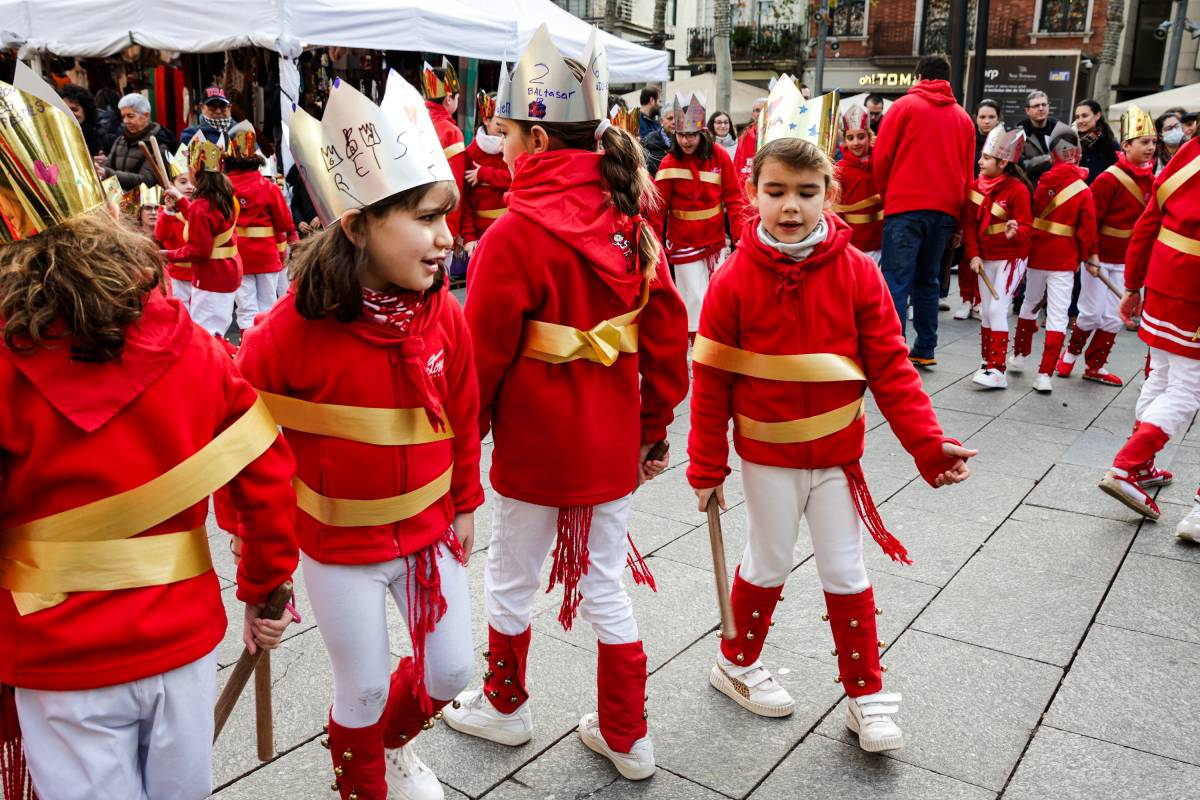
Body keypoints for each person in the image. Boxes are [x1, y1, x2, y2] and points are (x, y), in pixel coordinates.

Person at [0, 71, 297, 800]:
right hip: (179, 637)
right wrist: (265, 586)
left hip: (55, 651)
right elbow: (264, 468)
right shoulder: (193, 347)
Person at [445, 25, 689, 781]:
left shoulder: (513, 234)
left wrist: (461, 462)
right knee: (607, 582)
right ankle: (628, 734)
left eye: (508, 133)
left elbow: (477, 364)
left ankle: (506, 707)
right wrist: (654, 429)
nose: (501, 147)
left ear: (539, 138)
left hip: (536, 445)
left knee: (512, 576)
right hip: (611, 438)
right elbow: (668, 334)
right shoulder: (632, 219)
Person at [686, 116, 975, 753]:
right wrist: (706, 469)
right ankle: (735, 662)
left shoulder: (857, 273)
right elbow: (711, 387)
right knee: (767, 561)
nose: (791, 205)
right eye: (777, 189)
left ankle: (865, 693)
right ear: (752, 192)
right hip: (767, 457)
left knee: (847, 571)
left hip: (840, 457)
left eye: (808, 190)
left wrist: (929, 446)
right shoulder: (731, 280)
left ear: (829, 193)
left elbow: (893, 368)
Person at [233, 72, 481, 800]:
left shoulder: (445, 315)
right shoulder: (284, 336)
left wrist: (466, 497)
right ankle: (364, 779)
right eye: (425, 219)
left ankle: (392, 745)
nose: (446, 240)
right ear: (358, 225)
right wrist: (261, 571)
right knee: (363, 687)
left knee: (453, 672)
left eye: (448, 217)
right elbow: (243, 452)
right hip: (339, 546)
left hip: (431, 533)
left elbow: (463, 413)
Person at [1098, 133, 1200, 540]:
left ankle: (1140, 466)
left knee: (1160, 376)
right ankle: (1127, 464)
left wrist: (1133, 284)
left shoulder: (1192, 150)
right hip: (1194, 293)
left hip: (1162, 279)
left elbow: (1150, 219)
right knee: (1187, 390)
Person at [873, 55, 976, 368]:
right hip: (944, 210)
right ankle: (926, 347)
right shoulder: (964, 119)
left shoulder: (903, 108)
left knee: (896, 278)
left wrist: (887, 196)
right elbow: (968, 176)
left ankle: (892, 349)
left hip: (904, 206)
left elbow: (882, 158)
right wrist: (960, 220)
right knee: (928, 280)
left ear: (918, 76)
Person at [1058, 106, 1156, 388]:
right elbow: (1090, 221)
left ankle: (1095, 366)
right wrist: (1091, 254)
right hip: (1098, 257)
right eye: (1144, 142)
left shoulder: (1152, 181)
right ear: (1126, 145)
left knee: (1114, 316)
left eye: (1153, 142)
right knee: (1090, 312)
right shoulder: (1108, 179)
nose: (1150, 147)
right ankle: (1071, 353)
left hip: (1127, 259)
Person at [650, 92, 748, 340]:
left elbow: (735, 199)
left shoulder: (720, 156)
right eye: (681, 135)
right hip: (683, 243)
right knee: (695, 299)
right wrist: (653, 248)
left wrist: (741, 240)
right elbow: (657, 211)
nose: (685, 140)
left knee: (715, 296)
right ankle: (700, 345)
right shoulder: (669, 163)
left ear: (702, 132)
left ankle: (714, 340)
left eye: (691, 134)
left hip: (715, 242)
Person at [1011, 131, 1098, 393]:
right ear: (1078, 155)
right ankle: (1044, 375)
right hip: (1063, 258)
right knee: (1058, 316)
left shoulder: (1041, 182)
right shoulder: (1083, 190)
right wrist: (1089, 256)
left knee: (1029, 304)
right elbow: (1087, 229)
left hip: (1037, 254)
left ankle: (1019, 355)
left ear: (1052, 156)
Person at [961, 125, 1033, 389]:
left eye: (986, 158)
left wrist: (1016, 232)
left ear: (1003, 162)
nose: (980, 162)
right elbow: (968, 225)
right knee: (987, 313)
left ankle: (998, 370)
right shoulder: (973, 187)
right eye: (981, 156)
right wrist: (973, 255)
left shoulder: (1018, 190)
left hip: (1011, 258)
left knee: (996, 308)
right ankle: (987, 362)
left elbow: (1027, 228)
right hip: (985, 258)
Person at [162, 134, 242, 339]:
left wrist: (166, 254)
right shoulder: (224, 196)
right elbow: (205, 226)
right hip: (228, 270)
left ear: (195, 171)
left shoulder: (202, 205)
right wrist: (181, 201)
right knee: (217, 329)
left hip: (211, 276)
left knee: (206, 334)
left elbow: (199, 250)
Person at [224, 121, 295, 333]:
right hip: (266, 254)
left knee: (246, 308)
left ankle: (247, 349)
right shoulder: (269, 188)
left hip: (236, 254)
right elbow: (283, 222)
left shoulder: (222, 188)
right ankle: (266, 347)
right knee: (268, 305)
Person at [422, 59, 467, 248]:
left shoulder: (413, 121)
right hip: (441, 224)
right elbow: (454, 188)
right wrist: (452, 231)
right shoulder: (451, 133)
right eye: (457, 97)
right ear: (449, 97)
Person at [462, 91, 511, 259]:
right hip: (482, 237)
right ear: (486, 120)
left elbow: (519, 179)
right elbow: (465, 200)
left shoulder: (514, 148)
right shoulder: (470, 153)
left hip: (511, 232)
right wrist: (468, 237)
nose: (505, 126)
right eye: (499, 122)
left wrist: (485, 174)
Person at [832, 105, 883, 264]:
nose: (856, 143)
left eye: (861, 137)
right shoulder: (839, 169)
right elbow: (835, 209)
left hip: (881, 239)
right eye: (850, 137)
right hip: (852, 241)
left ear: (869, 136)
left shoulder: (882, 161)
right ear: (845, 140)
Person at [96, 93, 176, 191]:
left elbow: (147, 180)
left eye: (130, 116)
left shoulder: (158, 144)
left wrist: (108, 173)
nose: (125, 121)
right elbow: (106, 166)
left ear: (146, 116)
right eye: (123, 117)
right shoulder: (121, 140)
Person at [156, 143, 196, 306]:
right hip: (178, 273)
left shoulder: (202, 207)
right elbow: (161, 236)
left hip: (200, 273)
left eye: (192, 181)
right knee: (182, 310)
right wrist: (169, 213)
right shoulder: (167, 211)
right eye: (183, 182)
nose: (189, 186)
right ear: (173, 185)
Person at [1019, 90, 1060, 186]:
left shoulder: (1060, 130)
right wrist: (1046, 158)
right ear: (1027, 110)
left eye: (1044, 104)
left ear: (1048, 107)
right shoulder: (1019, 134)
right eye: (1036, 106)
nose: (1041, 108)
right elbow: (1019, 167)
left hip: (1058, 188)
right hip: (1032, 189)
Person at [1074, 99, 1119, 183]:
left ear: (1097, 115)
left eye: (1084, 116)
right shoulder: (1072, 143)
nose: (1080, 121)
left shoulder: (1110, 145)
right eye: (1077, 117)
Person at [59, 83, 104, 156]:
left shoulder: (101, 137)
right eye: (64, 109)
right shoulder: (54, 135)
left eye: (74, 109)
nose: (69, 114)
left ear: (86, 111)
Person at [639, 105, 674, 176]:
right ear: (661, 121)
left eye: (677, 119)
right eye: (670, 118)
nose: (674, 122)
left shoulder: (684, 144)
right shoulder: (649, 141)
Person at [973, 99, 1001, 172]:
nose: (987, 121)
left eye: (991, 117)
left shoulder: (1006, 142)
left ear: (998, 119)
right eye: (982, 117)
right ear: (976, 119)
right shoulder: (968, 141)